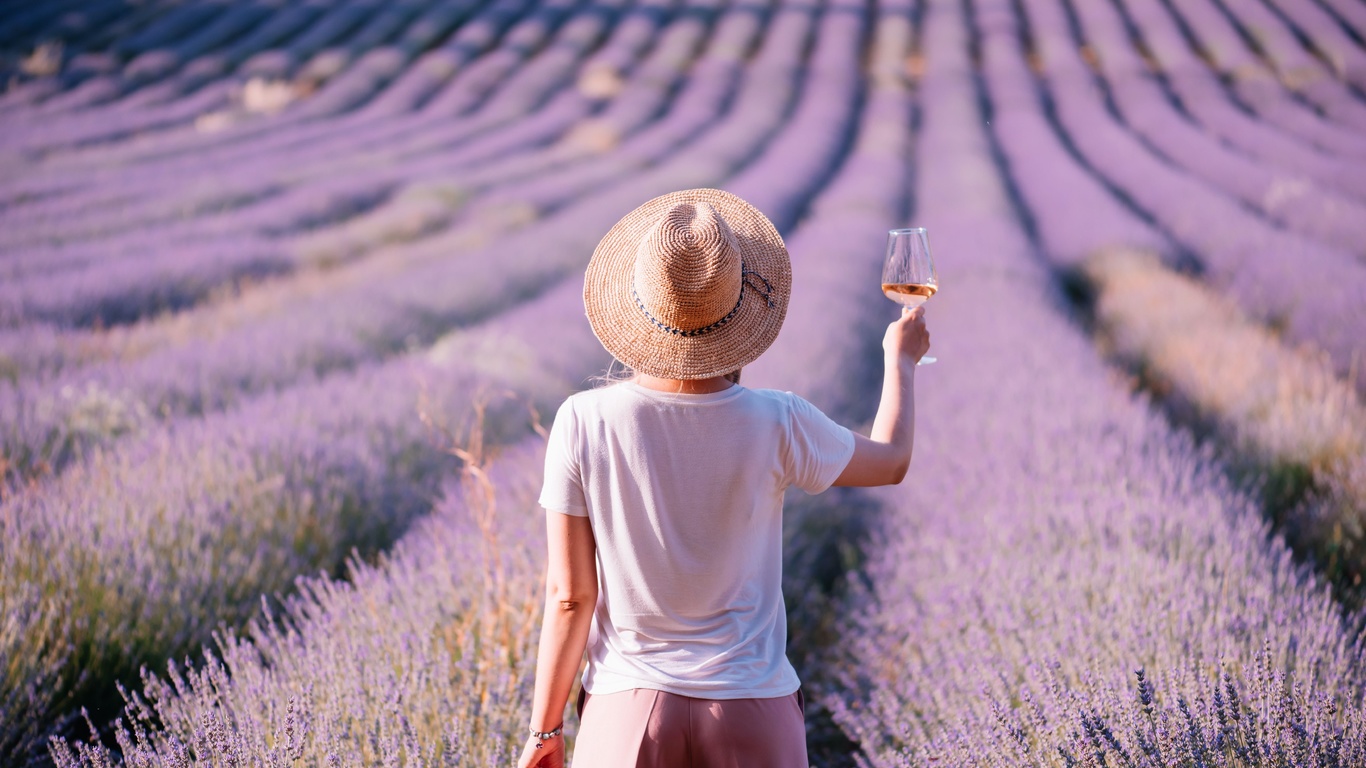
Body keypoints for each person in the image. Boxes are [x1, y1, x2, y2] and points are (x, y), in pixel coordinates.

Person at [516, 188, 930, 768]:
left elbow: (570, 598)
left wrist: (544, 731)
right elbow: (890, 461)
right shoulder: (778, 420)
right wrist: (901, 360)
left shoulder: (582, 421)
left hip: (628, 712)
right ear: (736, 310)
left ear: (640, 308)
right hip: (751, 707)